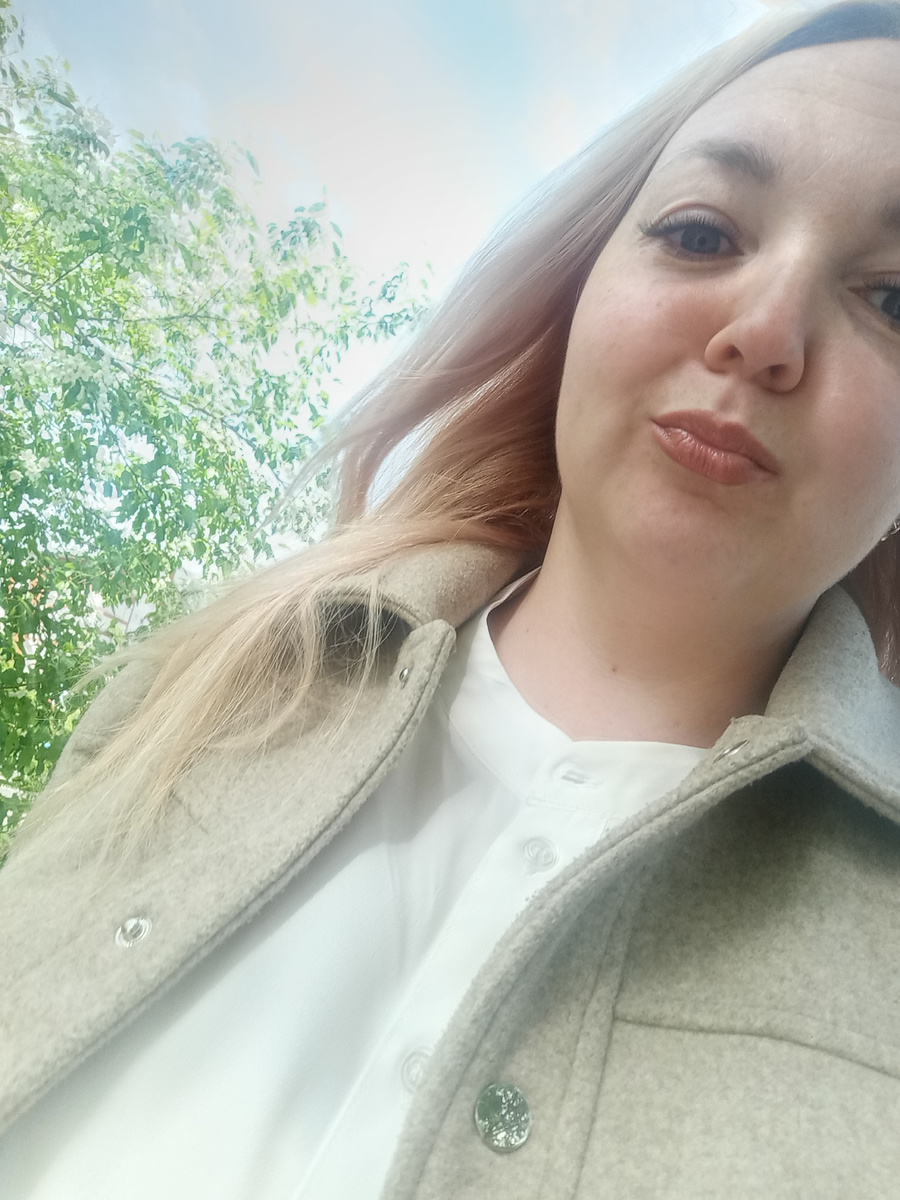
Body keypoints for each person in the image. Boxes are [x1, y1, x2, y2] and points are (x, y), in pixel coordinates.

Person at [5, 1, 900, 1195]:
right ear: (577, 292)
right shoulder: (197, 686)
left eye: (896, 300)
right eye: (699, 233)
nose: (764, 330)